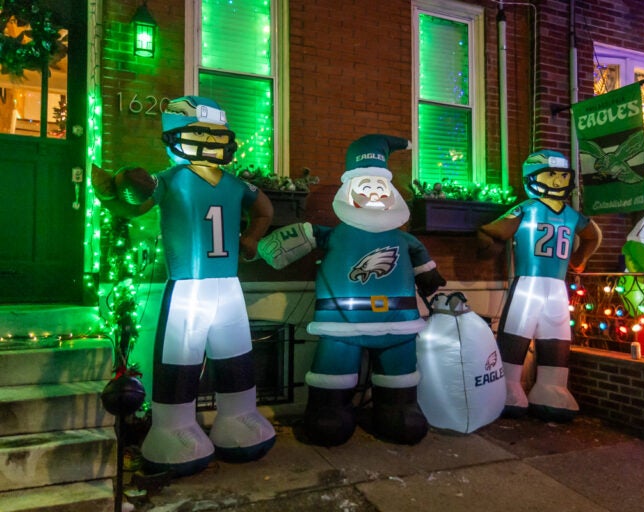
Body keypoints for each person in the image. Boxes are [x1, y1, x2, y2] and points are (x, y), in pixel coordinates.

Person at [92, 96, 276, 476]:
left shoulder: (233, 183)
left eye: (216, 134)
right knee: (181, 358)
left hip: (227, 286)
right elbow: (136, 204)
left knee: (236, 355)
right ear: (176, 136)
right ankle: (172, 427)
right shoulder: (171, 179)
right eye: (199, 133)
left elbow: (266, 209)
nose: (209, 141)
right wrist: (119, 190)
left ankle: (239, 416)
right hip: (188, 287)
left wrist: (253, 238)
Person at [258, 134, 446, 446]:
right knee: (333, 379)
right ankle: (328, 414)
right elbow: (295, 242)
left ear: (391, 195)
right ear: (351, 192)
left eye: (379, 188)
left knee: (399, 379)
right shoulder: (335, 235)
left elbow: (426, 271)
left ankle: (398, 411)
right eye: (366, 188)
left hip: (396, 326)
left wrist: (430, 278)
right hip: (342, 325)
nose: (373, 194)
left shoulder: (403, 239)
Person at [477, 149, 601, 422]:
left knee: (555, 337)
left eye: (561, 175)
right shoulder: (545, 211)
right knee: (516, 334)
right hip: (535, 283)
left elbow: (495, 229)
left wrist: (486, 239)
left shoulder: (545, 211)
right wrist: (579, 259)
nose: (557, 180)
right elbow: (594, 236)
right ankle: (509, 386)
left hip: (551, 286)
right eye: (550, 174)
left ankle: (551, 386)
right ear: (533, 177)